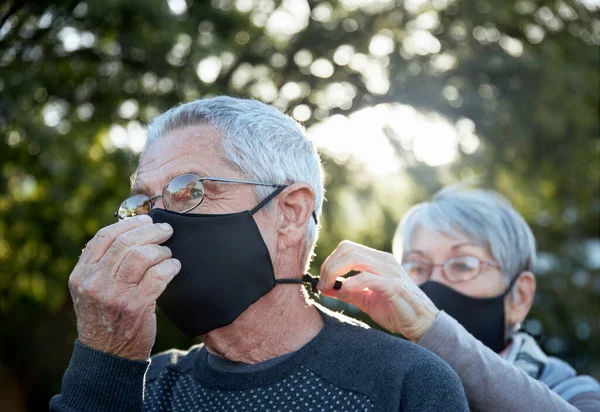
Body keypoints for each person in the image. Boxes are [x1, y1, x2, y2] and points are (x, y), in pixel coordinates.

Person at [50, 97, 469, 411]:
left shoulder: (403, 383)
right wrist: (103, 359)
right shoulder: (140, 385)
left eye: (189, 190)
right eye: (143, 202)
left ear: (289, 211)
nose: (156, 220)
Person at [318, 186, 600, 411]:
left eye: (463, 265)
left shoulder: (570, 390)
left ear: (520, 296)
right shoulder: (386, 386)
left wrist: (433, 329)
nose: (434, 284)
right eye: (418, 267)